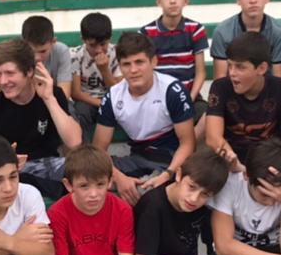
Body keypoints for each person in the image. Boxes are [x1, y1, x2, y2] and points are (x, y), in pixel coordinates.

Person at [92, 32, 196, 206]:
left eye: (139, 62)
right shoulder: (113, 96)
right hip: (137, 158)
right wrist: (119, 177)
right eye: (126, 64)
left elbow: (187, 143)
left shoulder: (172, 90)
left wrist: (168, 174)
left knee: (145, 195)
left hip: (170, 161)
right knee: (81, 173)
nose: (133, 70)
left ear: (153, 62)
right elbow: (98, 149)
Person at [0, 39, 82, 199]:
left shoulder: (53, 95)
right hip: (7, 170)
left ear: (29, 71)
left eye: (10, 73)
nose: (3, 81)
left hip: (47, 167)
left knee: (82, 171)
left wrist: (49, 99)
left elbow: (74, 141)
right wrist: (3, 158)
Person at [204, 32, 281, 173]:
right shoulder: (220, 87)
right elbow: (213, 138)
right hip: (232, 155)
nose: (232, 73)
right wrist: (237, 165)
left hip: (271, 155)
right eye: (230, 65)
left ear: (262, 68)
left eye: (240, 67)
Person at [209, 0, 281, 79]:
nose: (253, 0)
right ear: (238, 0)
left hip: (267, 87)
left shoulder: (278, 31)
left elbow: (278, 79)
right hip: (233, 87)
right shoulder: (222, 32)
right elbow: (220, 80)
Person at [140, 0, 207, 104]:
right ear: (158, 1)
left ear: (186, 0)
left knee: (206, 113)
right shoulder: (146, 33)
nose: (172, 1)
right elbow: (145, 72)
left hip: (190, 96)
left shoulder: (196, 29)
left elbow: (201, 72)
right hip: (157, 98)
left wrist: (189, 99)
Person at [71, 12, 119, 140]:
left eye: (103, 44)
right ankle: (83, 150)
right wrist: (101, 103)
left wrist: (104, 70)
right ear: (83, 39)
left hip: (113, 100)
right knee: (80, 111)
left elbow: (118, 90)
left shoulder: (116, 53)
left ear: (110, 38)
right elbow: (76, 93)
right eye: (92, 45)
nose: (98, 50)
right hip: (87, 101)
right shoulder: (75, 55)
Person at [22, 15, 73, 98]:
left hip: (54, 100)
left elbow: (64, 95)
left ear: (53, 42)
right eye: (31, 51)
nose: (37, 57)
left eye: (43, 51)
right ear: (23, 43)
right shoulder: (16, 54)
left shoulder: (61, 51)